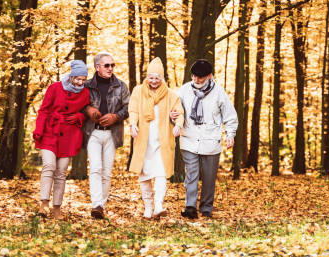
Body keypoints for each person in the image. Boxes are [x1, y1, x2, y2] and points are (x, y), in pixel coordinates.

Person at [170, 59, 238, 219]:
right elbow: (176, 110)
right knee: (191, 174)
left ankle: (206, 207)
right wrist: (172, 116)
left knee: (208, 176)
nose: (196, 80)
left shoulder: (219, 92)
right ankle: (190, 207)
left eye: (200, 77)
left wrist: (230, 134)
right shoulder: (184, 90)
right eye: (194, 76)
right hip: (189, 138)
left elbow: (230, 116)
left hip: (210, 141)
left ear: (209, 76)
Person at [33, 60, 90, 220]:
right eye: (78, 79)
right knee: (49, 165)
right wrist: (39, 129)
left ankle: (57, 208)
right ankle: (44, 203)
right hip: (50, 132)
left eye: (83, 80)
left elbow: (85, 111)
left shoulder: (85, 93)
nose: (80, 83)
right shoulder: (55, 87)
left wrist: (79, 116)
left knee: (61, 172)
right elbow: (43, 110)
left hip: (69, 135)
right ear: (71, 76)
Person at [128, 57, 184, 219]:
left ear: (162, 78)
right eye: (151, 77)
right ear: (146, 77)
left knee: (160, 173)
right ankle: (148, 207)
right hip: (143, 140)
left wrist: (178, 125)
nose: (154, 81)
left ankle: (158, 205)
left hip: (162, 140)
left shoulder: (171, 95)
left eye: (157, 78)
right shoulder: (138, 91)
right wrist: (133, 124)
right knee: (144, 174)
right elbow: (133, 110)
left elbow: (179, 113)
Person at [82, 52, 130, 219]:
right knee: (95, 168)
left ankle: (101, 204)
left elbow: (128, 108)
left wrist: (115, 117)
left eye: (112, 65)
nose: (110, 68)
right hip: (92, 132)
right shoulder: (86, 86)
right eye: (106, 65)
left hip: (112, 133)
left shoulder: (121, 86)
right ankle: (97, 205)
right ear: (97, 67)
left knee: (107, 171)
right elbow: (78, 104)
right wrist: (88, 109)